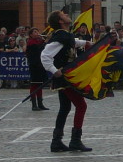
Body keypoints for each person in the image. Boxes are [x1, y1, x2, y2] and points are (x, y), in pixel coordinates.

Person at [40, 10, 91, 152]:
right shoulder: (61, 35)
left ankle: (56, 141)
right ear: (60, 21)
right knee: (81, 106)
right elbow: (45, 55)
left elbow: (72, 42)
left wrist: (86, 43)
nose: (67, 15)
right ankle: (75, 140)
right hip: (65, 78)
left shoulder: (63, 35)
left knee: (65, 108)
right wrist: (54, 70)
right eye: (63, 14)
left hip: (65, 78)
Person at [25, 27, 50, 111]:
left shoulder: (39, 41)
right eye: (35, 32)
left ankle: (40, 103)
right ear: (31, 35)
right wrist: (45, 42)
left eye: (37, 31)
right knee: (34, 84)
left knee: (39, 84)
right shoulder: (31, 42)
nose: (37, 33)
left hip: (40, 65)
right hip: (34, 65)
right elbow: (39, 50)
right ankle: (34, 104)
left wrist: (45, 40)